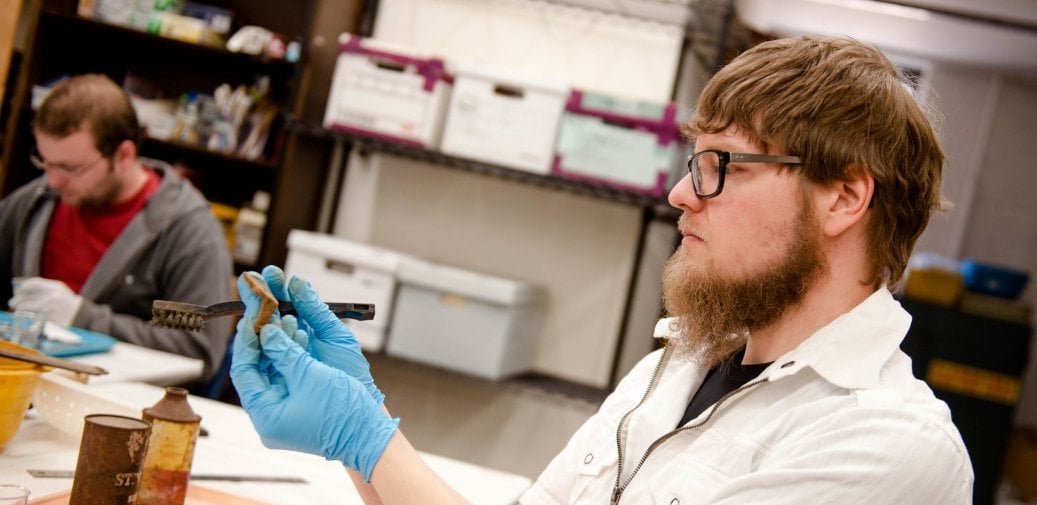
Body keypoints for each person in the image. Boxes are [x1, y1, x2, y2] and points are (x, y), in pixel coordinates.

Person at [230, 34, 973, 504]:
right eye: (692, 162)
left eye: (721, 165)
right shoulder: (676, 366)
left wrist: (367, 437)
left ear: (844, 195)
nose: (683, 193)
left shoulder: (891, 446)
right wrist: (362, 433)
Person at [0, 74, 234, 383]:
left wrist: (83, 319)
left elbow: (197, 348)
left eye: (71, 168)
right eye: (46, 162)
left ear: (123, 156)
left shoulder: (186, 230)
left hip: (112, 407)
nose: (53, 181)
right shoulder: (35, 202)